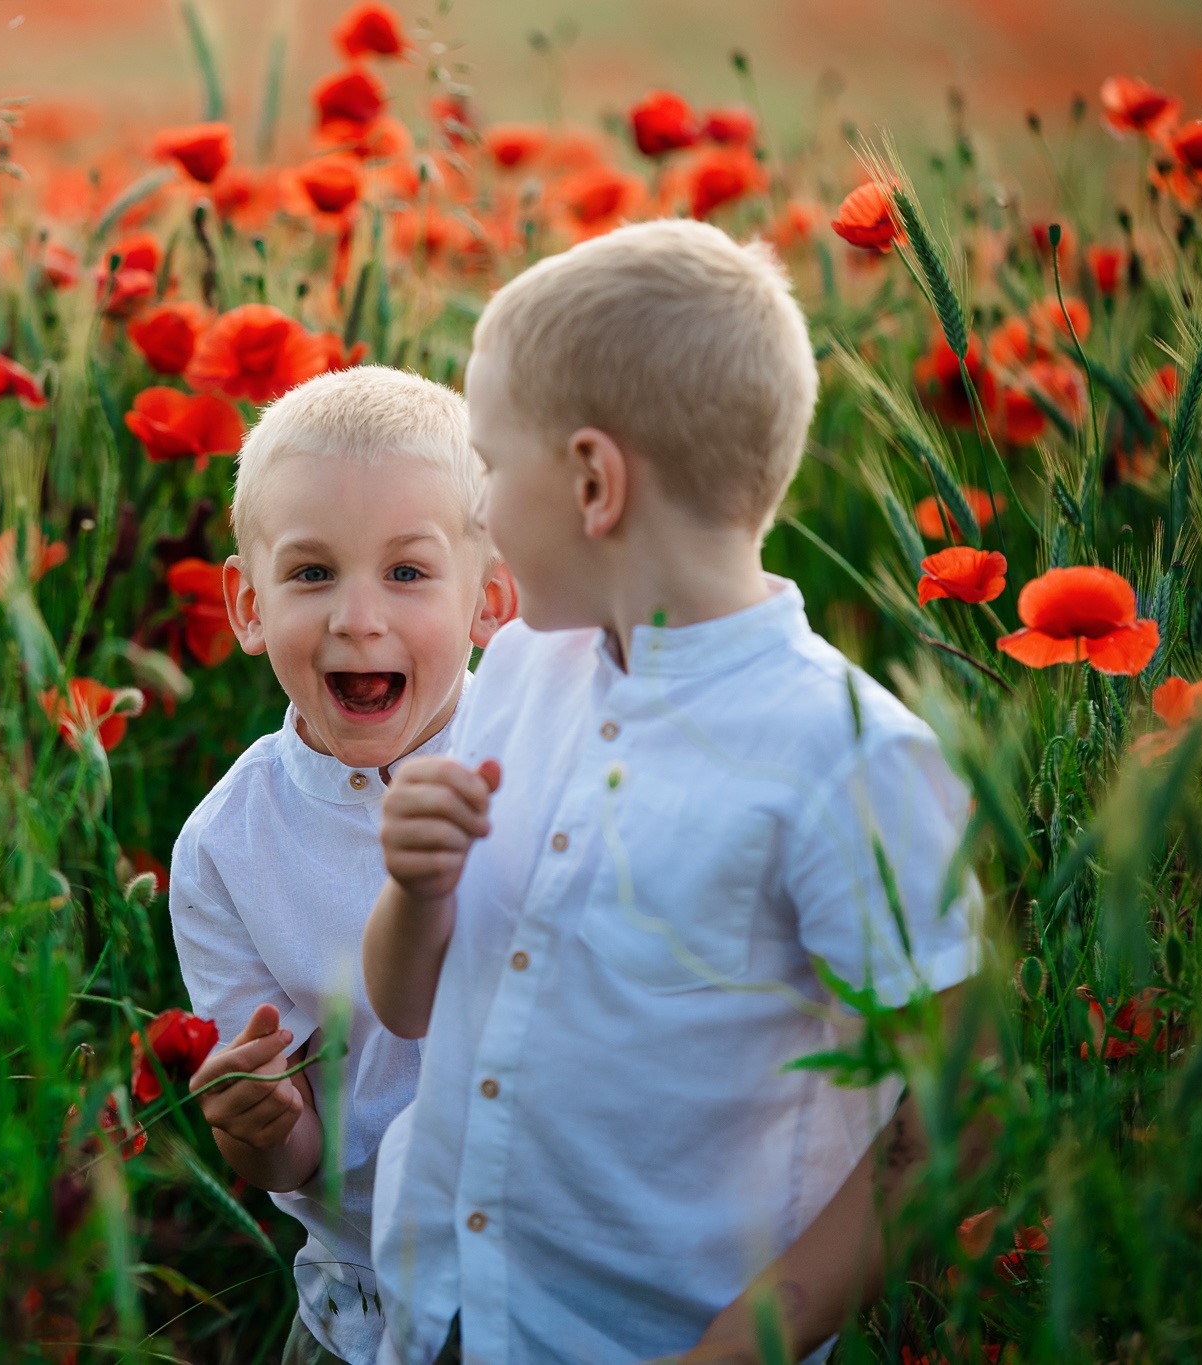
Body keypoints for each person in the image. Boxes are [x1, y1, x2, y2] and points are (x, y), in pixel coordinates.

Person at [362, 219, 986, 1365]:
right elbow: (409, 1011)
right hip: (435, 1310)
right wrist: (415, 887)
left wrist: (734, 1350)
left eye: (489, 465)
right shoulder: (519, 671)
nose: (477, 511)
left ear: (592, 481)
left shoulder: (841, 757)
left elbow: (952, 1114)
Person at [168, 365, 516, 1365]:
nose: (357, 617)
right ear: (247, 605)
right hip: (359, 1312)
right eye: (312, 573)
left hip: (554, 1291)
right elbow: (295, 1157)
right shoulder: (226, 847)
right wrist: (255, 1123)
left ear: (490, 599)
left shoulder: (547, 765)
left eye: (406, 573)